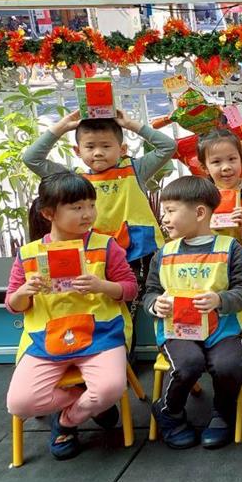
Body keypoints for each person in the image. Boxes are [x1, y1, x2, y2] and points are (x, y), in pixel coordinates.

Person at [5, 173, 137, 460]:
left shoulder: (105, 245)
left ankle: (67, 421)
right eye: (77, 207)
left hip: (100, 335)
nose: (88, 213)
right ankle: (91, 405)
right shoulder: (28, 254)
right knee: (20, 403)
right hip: (45, 340)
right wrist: (24, 292)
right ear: (48, 213)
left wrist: (102, 286)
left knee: (110, 388)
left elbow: (130, 289)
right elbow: (13, 304)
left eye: (91, 205)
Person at [24, 110, 176, 351]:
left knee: (130, 306)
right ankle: (95, 354)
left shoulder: (135, 169)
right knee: (96, 303)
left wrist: (131, 124)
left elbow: (168, 146)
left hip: (136, 251)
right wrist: (62, 126)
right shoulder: (73, 180)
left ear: (122, 149)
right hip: (93, 254)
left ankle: (125, 357)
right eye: (90, 146)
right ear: (77, 151)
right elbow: (32, 159)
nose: (98, 152)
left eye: (106, 146)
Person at [144, 176, 242, 450]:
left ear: (200, 212)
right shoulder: (164, 253)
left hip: (222, 329)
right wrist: (156, 304)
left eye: (171, 211)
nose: (164, 218)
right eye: (164, 212)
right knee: (188, 363)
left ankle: (222, 413)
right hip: (178, 330)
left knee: (228, 366)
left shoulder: (230, 249)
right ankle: (169, 412)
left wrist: (220, 299)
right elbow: (150, 292)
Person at [198, 129, 242, 272]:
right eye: (216, 162)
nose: (226, 167)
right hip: (211, 268)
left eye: (232, 159)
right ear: (204, 168)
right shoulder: (200, 198)